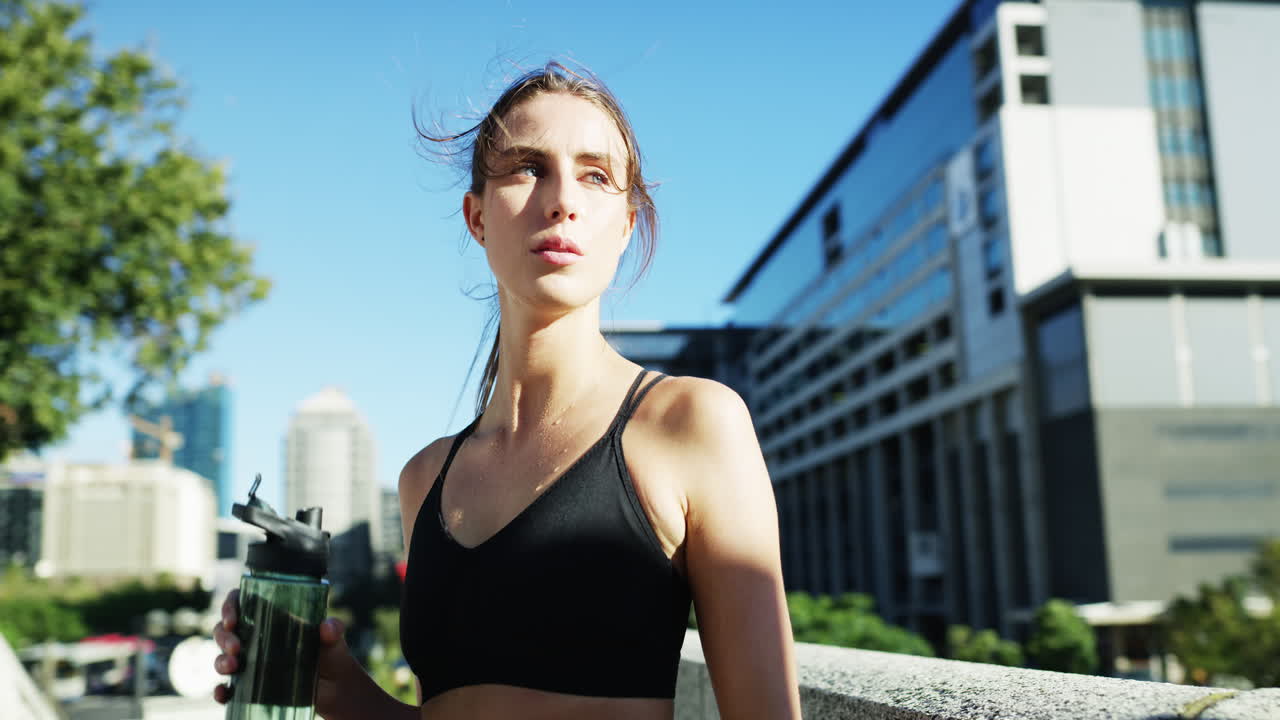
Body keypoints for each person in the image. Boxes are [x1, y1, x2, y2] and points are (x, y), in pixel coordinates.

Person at [212, 61, 801, 719]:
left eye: (596, 176)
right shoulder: (423, 479)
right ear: (477, 217)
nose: (562, 200)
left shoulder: (691, 423)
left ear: (627, 225)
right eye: (526, 168)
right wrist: (341, 688)